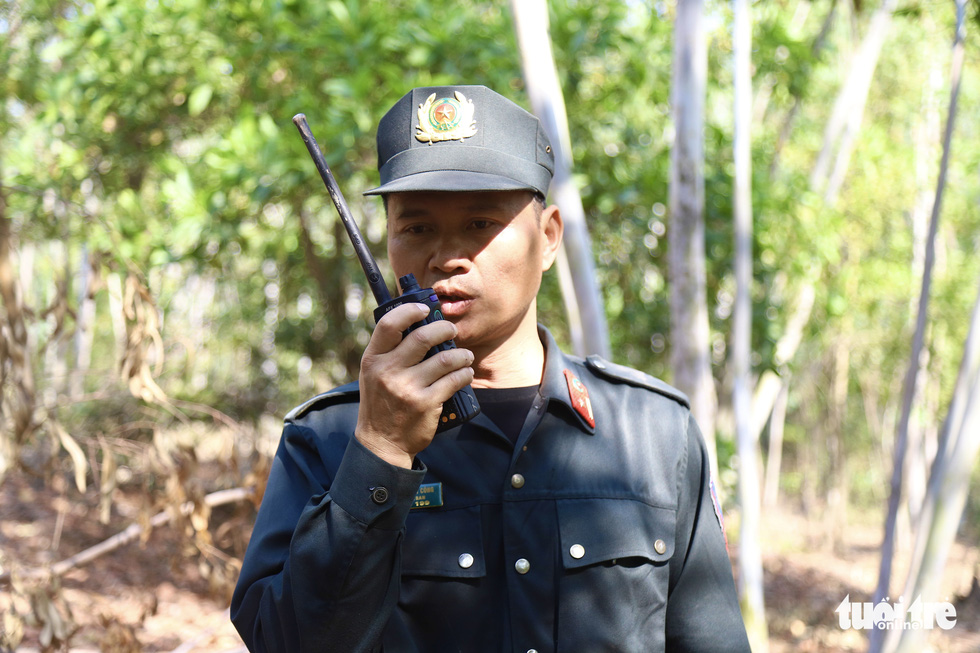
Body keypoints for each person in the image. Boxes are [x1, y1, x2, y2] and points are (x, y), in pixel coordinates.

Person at [231, 84, 751, 653]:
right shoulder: (328, 440)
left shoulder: (655, 433)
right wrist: (379, 453)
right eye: (417, 228)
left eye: (480, 223)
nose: (446, 255)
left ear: (549, 237)